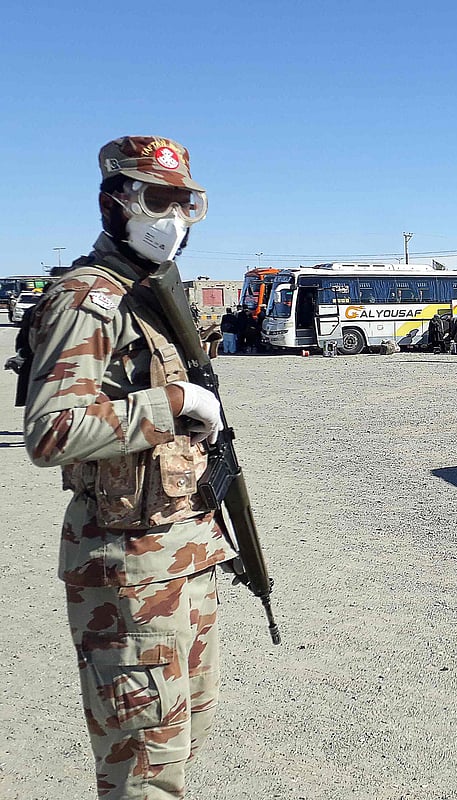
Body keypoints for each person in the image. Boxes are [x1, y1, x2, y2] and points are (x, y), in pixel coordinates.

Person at [23, 136, 233, 799]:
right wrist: (172, 404)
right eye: (154, 199)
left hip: (182, 554)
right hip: (126, 565)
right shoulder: (92, 296)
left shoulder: (157, 294)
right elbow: (50, 430)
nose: (170, 219)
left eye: (183, 202)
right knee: (143, 770)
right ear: (114, 203)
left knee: (183, 738)